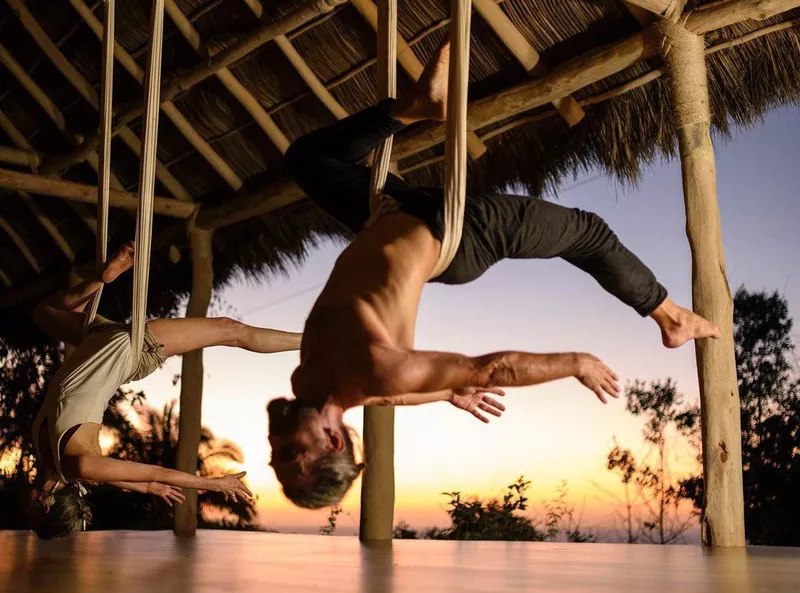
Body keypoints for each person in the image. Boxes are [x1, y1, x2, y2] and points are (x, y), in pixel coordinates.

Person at [268, 42, 720, 510]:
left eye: (275, 456)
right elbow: (488, 368)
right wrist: (574, 363)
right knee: (587, 234)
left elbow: (385, 401)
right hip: (456, 236)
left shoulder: (309, 386)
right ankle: (670, 318)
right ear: (334, 441)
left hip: (385, 214)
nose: (276, 442)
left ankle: (416, 108)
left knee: (306, 160)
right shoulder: (380, 369)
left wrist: (445, 394)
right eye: (291, 452)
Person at [29, 242, 303, 539]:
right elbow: (135, 475)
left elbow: (127, 475)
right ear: (44, 504)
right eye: (27, 514)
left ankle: (101, 278)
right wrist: (207, 484)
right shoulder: (52, 449)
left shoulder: (78, 464)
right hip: (120, 349)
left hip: (105, 346)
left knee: (232, 331)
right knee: (44, 312)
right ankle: (313, 340)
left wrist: (157, 486)